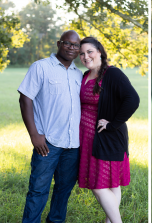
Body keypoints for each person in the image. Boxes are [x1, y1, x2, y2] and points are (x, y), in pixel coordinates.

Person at [18, 30, 82, 223]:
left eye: (76, 45)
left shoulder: (78, 74)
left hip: (72, 145)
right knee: (38, 190)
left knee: (63, 191)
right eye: (67, 43)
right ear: (58, 43)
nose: (71, 48)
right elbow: (25, 99)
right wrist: (34, 135)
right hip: (47, 143)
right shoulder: (41, 67)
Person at [78, 37, 140, 223]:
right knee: (111, 185)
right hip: (87, 139)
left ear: (99, 51)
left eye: (89, 51)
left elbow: (133, 99)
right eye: (82, 53)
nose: (86, 56)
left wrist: (113, 123)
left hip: (106, 138)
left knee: (99, 185)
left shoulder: (112, 74)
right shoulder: (85, 76)